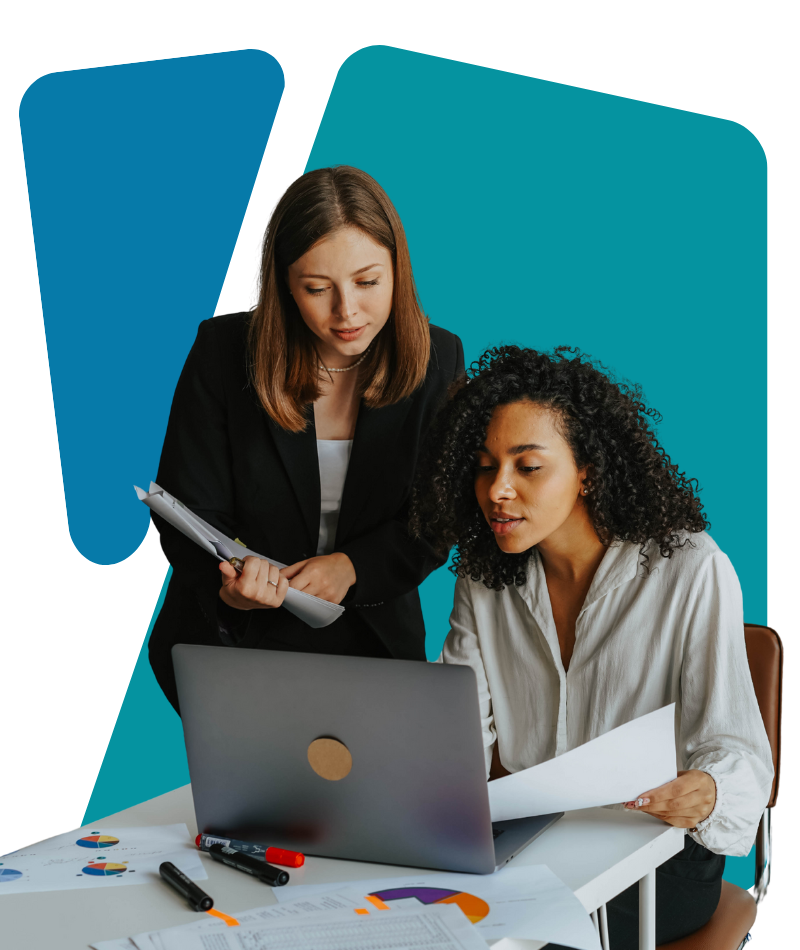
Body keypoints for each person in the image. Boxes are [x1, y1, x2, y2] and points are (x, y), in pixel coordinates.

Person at [409, 344, 772, 948]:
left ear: (588, 471)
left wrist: (707, 791)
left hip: (654, 854)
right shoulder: (485, 578)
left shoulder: (689, 569)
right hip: (531, 842)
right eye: (483, 465)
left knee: (508, 932)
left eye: (528, 467)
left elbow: (735, 749)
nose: (497, 489)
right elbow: (457, 740)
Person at [149, 166, 464, 715]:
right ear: (285, 286)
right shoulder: (224, 350)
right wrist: (230, 587)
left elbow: (437, 518)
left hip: (375, 639)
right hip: (237, 644)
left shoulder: (440, 359)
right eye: (317, 289)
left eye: (368, 282)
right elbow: (189, 506)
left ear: (398, 270)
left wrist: (352, 566)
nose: (348, 312)